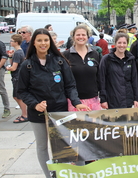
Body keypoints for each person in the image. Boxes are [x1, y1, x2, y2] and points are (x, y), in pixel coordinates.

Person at [17, 28, 90, 177]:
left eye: (46, 40)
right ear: (34, 43)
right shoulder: (27, 65)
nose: (43, 43)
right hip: (38, 114)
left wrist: (76, 102)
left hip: (59, 112)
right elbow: (21, 91)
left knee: (65, 146)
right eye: (39, 40)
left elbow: (70, 85)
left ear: (50, 42)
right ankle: (50, 175)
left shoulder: (60, 61)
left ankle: (64, 173)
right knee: (42, 146)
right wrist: (34, 104)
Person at [63, 25, 102, 111]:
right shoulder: (66, 55)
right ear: (73, 37)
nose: (81, 37)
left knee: (95, 124)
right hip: (73, 101)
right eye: (78, 35)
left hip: (93, 99)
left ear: (88, 37)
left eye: (83, 35)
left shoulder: (94, 54)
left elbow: (99, 76)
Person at [100, 33, 138, 109]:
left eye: (124, 43)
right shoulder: (106, 59)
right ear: (115, 44)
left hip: (127, 99)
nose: (122, 45)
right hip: (112, 99)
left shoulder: (131, 59)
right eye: (119, 43)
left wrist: (136, 98)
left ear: (127, 44)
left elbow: (134, 80)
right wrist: (103, 99)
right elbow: (102, 80)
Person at [6, 34, 27, 123]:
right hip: (17, 77)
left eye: (11, 41)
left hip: (17, 77)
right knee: (16, 96)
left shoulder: (18, 52)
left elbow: (14, 67)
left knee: (18, 97)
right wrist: (10, 56)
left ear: (16, 42)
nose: (10, 42)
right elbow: (14, 62)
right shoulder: (18, 52)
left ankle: (25, 114)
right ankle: (24, 113)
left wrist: (7, 68)